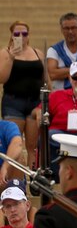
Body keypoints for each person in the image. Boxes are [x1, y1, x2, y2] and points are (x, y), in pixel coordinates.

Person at [1, 21, 44, 156]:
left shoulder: (38, 53)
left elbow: (45, 79)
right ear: (12, 36)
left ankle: (32, 177)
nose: (21, 37)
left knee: (33, 146)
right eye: (17, 34)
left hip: (34, 103)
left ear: (29, 35)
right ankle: (14, 176)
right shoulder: (5, 52)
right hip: (14, 102)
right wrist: (11, 59)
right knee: (14, 143)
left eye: (24, 34)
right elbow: (2, 78)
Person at [0, 119, 25, 184]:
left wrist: (5, 166)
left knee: (18, 157)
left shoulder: (8, 126)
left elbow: (17, 143)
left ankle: (14, 189)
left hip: (6, 173)